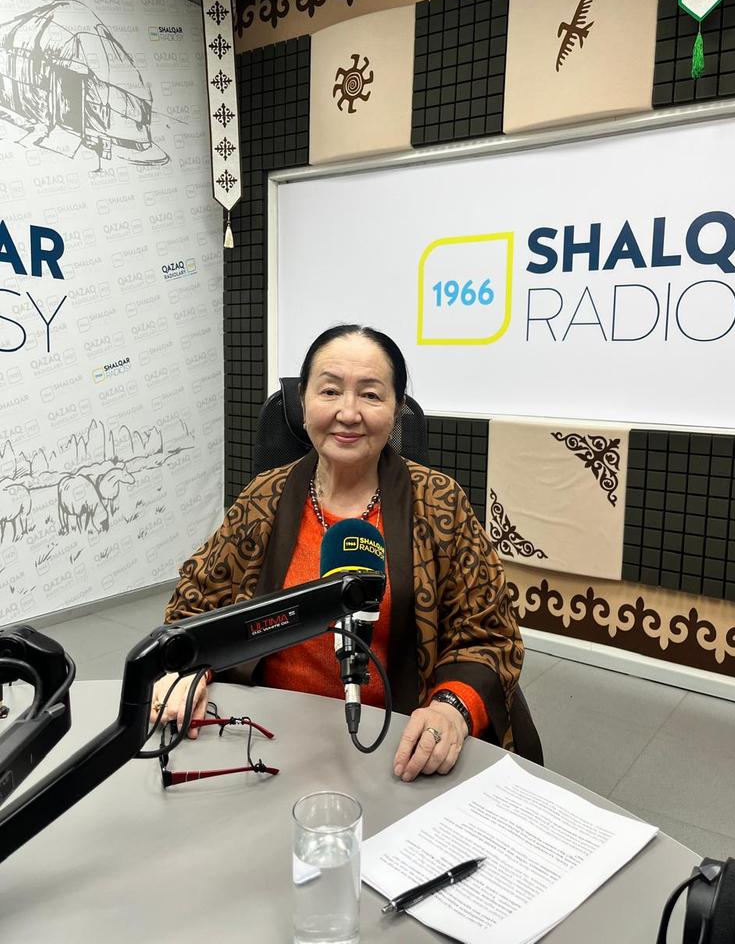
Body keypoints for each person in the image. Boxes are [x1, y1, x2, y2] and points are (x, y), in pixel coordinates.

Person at [151, 325, 524, 781]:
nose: (348, 413)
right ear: (304, 402)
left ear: (397, 410)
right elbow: (195, 603)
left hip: (394, 745)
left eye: (370, 395)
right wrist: (187, 669)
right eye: (329, 391)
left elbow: (490, 635)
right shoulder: (262, 498)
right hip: (266, 735)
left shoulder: (441, 503)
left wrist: (451, 708)